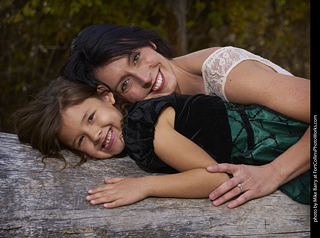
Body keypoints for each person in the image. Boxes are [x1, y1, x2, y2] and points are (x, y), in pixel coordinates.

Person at [60, 24, 310, 208]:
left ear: (150, 42)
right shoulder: (157, 114)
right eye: (125, 84)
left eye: (136, 58)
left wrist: (274, 172)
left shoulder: (224, 73)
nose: (145, 78)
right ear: (118, 97)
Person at [15, 77, 309, 209]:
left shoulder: (140, 125)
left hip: (271, 136)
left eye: (91, 118)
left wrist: (144, 186)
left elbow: (215, 178)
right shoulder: (136, 126)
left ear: (106, 95)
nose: (95, 136)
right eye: (81, 139)